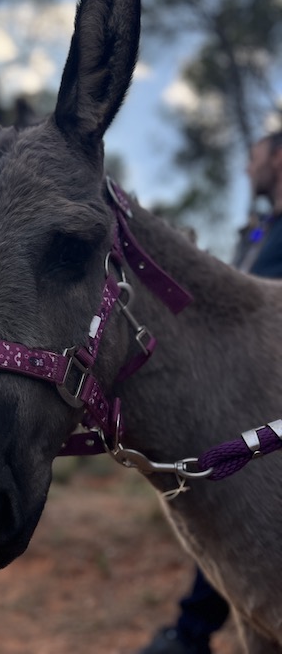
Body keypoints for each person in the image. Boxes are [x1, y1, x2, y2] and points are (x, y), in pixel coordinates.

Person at [138, 130, 282, 654]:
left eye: (254, 157)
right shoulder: (259, 233)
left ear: (279, 157)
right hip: (237, 414)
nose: (248, 169)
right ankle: (192, 631)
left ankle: (190, 634)